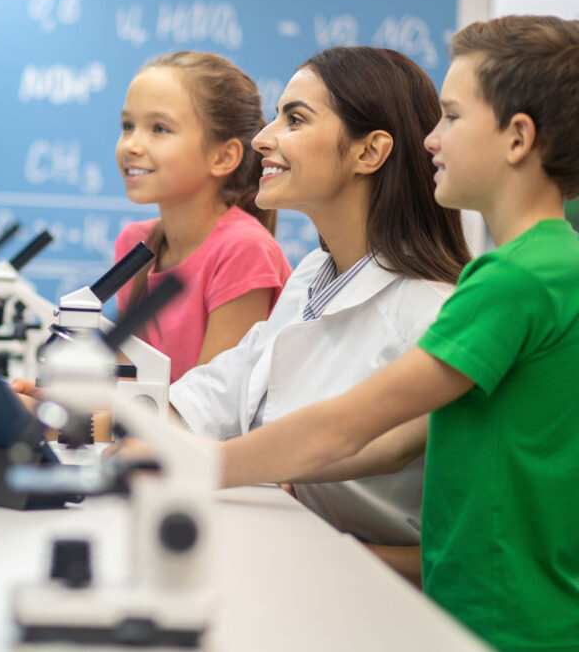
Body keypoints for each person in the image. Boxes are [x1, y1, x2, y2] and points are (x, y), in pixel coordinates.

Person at [24, 46, 473, 582]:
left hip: (359, 597)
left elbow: (447, 534)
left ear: (369, 152)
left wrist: (221, 464)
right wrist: (57, 416)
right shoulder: (314, 275)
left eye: (296, 118)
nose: (264, 138)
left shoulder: (431, 314)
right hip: (280, 557)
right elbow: (221, 394)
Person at [207, 16, 579, 650]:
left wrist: (195, 468)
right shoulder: (557, 263)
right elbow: (398, 440)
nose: (430, 140)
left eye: (453, 118)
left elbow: (346, 424)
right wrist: (288, 477)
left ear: (518, 138)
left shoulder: (512, 280)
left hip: (499, 620)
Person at [113, 51, 291, 381]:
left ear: (224, 157)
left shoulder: (244, 251)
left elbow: (206, 409)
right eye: (127, 126)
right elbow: (126, 381)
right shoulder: (134, 244)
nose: (131, 145)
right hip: (143, 430)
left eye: (160, 128)